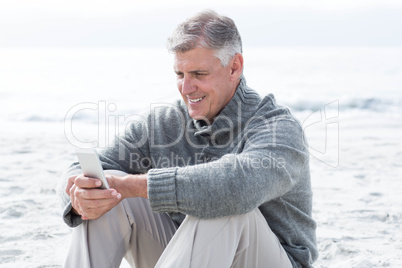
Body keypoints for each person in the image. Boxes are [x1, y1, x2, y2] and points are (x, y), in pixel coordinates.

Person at [58, 10, 318, 268]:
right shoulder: (162, 123)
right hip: (189, 258)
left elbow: (236, 186)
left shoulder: (278, 128)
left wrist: (133, 186)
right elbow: (81, 170)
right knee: (105, 191)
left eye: (199, 74)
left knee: (222, 204)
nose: (186, 88)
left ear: (234, 67)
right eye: (180, 75)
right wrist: (81, 195)